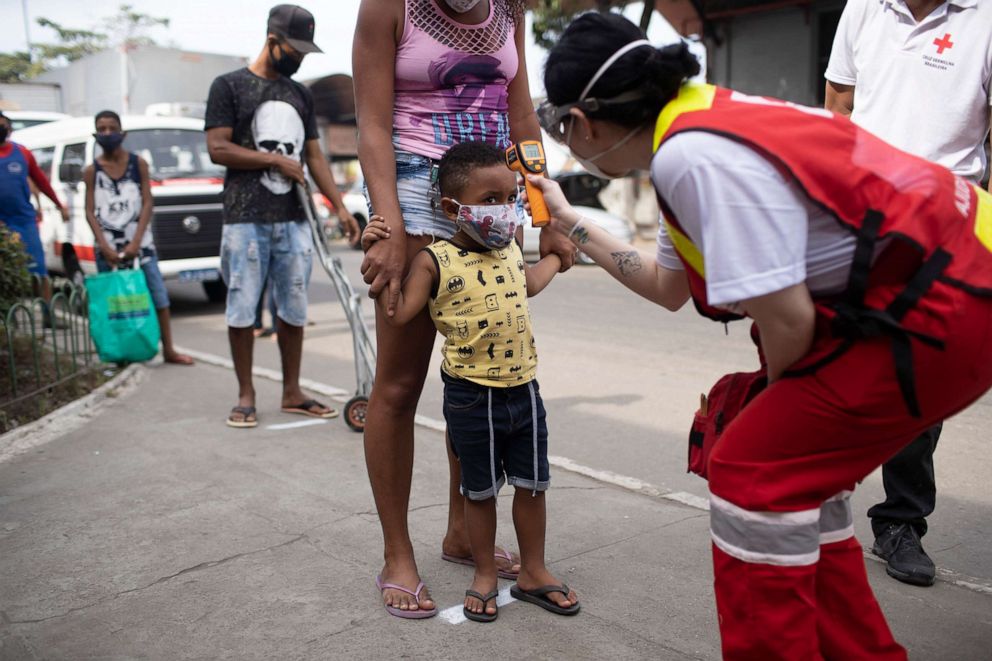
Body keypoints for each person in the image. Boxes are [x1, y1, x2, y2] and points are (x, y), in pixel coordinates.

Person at [531, 12, 992, 659]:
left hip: (944, 302)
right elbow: (668, 285)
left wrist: (779, 413)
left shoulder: (690, 156)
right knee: (803, 484)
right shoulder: (692, 123)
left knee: (751, 466)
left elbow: (788, 322)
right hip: (955, 278)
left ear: (580, 122)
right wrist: (572, 221)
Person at [353, 0, 576, 616]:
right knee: (398, 385)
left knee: (474, 370)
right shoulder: (389, 7)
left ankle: (460, 532)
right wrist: (390, 223)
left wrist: (541, 213)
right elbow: (372, 123)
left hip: (494, 200)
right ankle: (398, 555)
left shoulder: (509, 8)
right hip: (418, 201)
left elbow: (521, 114)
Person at [824, 0, 992, 588]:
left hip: (946, 225)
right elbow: (839, 102)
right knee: (832, 357)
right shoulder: (863, 9)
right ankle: (815, 498)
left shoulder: (984, 17)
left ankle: (900, 524)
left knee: (917, 377)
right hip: (862, 216)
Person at [205, 4, 359, 428]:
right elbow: (217, 148)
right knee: (242, 306)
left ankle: (292, 391)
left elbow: (313, 155)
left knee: (293, 306)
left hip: (294, 219)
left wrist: (340, 207)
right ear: (272, 42)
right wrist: (273, 161)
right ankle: (246, 394)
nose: (300, 58)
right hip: (244, 218)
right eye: (295, 50)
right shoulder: (229, 86)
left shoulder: (299, 93)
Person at [83, 110, 194, 367]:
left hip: (141, 246)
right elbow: (89, 210)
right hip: (107, 249)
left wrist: (136, 242)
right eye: (102, 128)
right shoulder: (92, 171)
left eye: (112, 128)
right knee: (113, 302)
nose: (108, 133)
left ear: (123, 133)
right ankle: (117, 352)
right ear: (96, 134)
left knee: (158, 297)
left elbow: (147, 202)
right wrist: (103, 245)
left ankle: (168, 349)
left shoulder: (138, 164)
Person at [0, 111, 71, 324]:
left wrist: (59, 205)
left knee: (38, 270)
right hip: (2, 224)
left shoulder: (22, 153)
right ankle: (9, 317)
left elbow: (41, 181)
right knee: (6, 272)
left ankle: (48, 315)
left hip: (24, 221)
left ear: (9, 130)